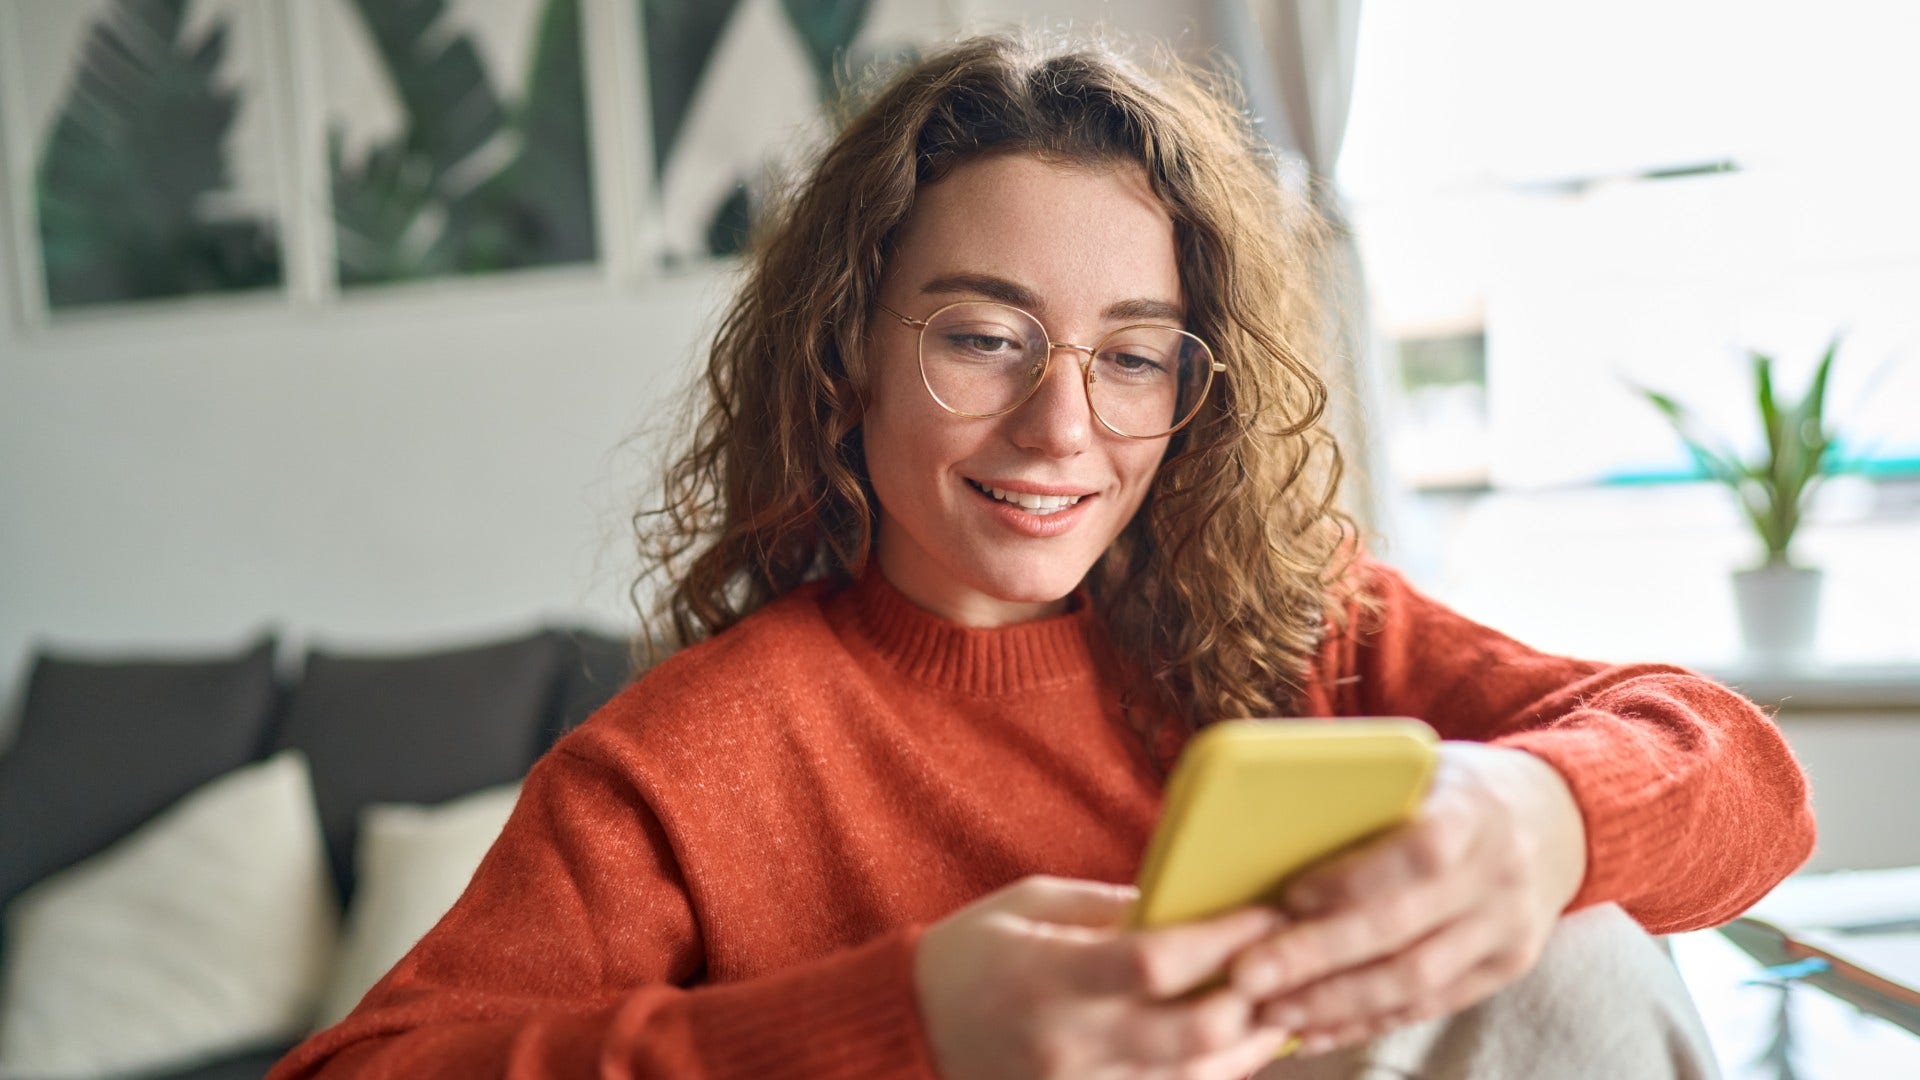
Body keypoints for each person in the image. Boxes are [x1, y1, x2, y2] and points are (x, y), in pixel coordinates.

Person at [269, 30, 1813, 1080]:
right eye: (985, 339)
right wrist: (909, 1020)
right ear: (844, 355)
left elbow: (1745, 781)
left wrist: (1541, 817)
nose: (1062, 427)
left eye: (1136, 357)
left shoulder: (1302, 626)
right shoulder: (678, 772)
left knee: (1587, 951)